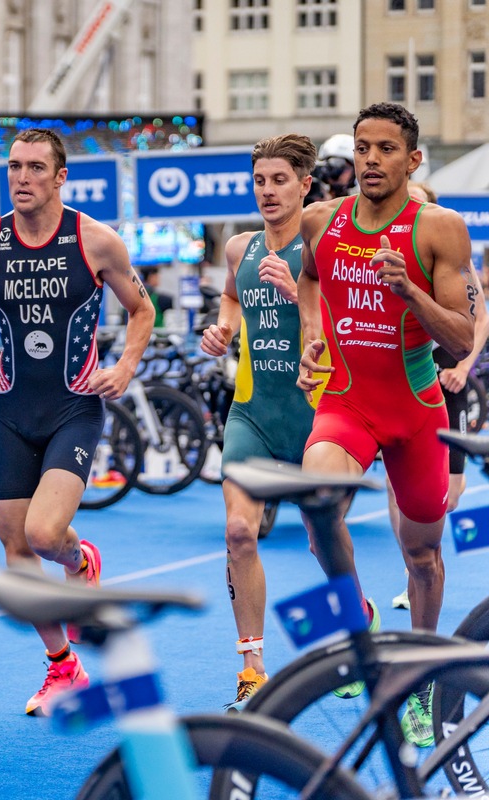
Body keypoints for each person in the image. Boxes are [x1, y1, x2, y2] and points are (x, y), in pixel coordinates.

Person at [0, 127, 154, 716]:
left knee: (41, 533)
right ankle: (62, 666)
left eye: (35, 168)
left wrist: (126, 365)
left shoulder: (96, 241)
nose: (22, 178)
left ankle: (80, 561)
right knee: (14, 544)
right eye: (14, 167)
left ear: (61, 177)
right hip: (11, 410)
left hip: (73, 407)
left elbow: (142, 309)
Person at [297, 103, 477, 746]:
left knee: (423, 556)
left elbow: (460, 339)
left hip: (416, 410)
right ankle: (360, 621)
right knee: (317, 511)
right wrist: (314, 329)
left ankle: (423, 679)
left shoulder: (439, 229)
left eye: (386, 149)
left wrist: (413, 295)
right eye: (364, 148)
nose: (371, 160)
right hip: (347, 400)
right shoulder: (322, 220)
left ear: (412, 160)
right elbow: (312, 279)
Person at [198, 133, 321, 710]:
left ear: (305, 185)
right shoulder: (239, 246)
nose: (267, 191)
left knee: (325, 542)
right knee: (239, 532)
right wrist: (221, 328)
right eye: (259, 181)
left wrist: (297, 294)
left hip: (316, 414)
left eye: (279, 180)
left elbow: (339, 329)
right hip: (251, 412)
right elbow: (231, 297)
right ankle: (253, 665)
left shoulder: (323, 250)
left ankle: (358, 622)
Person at [388, 181, 489, 612]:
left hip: (453, 387)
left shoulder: (448, 260)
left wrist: (464, 368)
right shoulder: (392, 263)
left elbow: (479, 321)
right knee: (399, 500)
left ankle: (429, 567)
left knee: (450, 493)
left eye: (414, 206)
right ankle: (413, 572)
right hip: (408, 390)